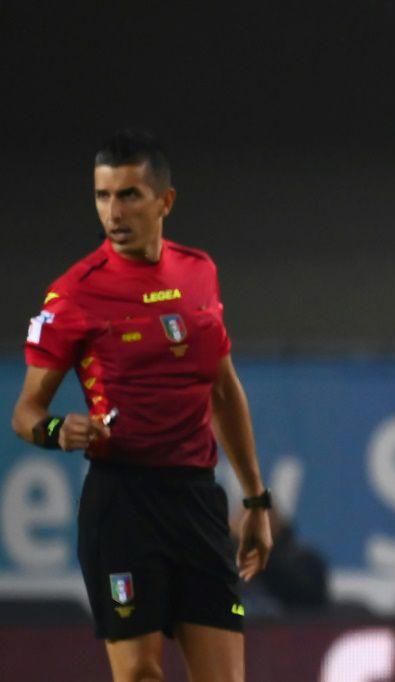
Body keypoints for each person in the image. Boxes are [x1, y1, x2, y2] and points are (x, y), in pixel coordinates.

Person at [11, 129, 273, 682]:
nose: (113, 211)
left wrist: (255, 500)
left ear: (165, 201)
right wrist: (58, 428)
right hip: (123, 505)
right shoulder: (74, 294)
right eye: (103, 196)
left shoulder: (199, 272)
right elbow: (26, 412)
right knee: (139, 675)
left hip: (197, 501)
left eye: (128, 194)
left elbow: (223, 390)